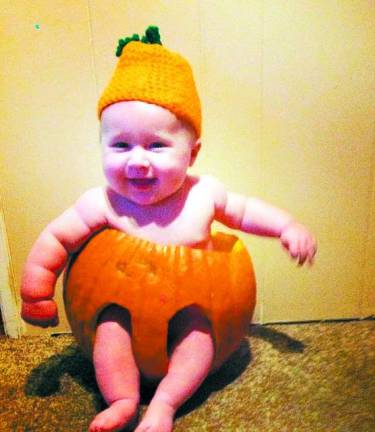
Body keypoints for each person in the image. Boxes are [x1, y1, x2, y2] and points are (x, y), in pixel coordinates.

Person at [20, 27, 317, 432]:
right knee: (109, 332)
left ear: (192, 154)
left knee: (199, 341)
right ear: (102, 146)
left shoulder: (204, 194)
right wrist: (37, 288)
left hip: (191, 307)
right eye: (120, 146)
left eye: (156, 146)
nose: (137, 161)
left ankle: (165, 404)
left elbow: (245, 211)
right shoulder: (102, 202)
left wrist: (286, 227)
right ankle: (122, 399)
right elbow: (57, 238)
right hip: (119, 308)